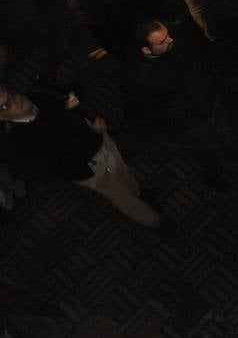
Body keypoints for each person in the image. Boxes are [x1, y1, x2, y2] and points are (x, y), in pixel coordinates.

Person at [0, 81, 162, 230]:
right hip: (90, 167)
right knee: (119, 195)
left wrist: (73, 100)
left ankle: (137, 192)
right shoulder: (20, 142)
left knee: (121, 169)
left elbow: (73, 92)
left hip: (100, 140)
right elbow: (63, 157)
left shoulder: (37, 95)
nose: (16, 100)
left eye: (12, 94)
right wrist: (95, 132)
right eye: (6, 105)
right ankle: (154, 222)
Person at [121, 20, 238, 190]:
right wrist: (182, 120)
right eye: (162, 42)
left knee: (226, 130)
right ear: (146, 50)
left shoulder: (176, 40)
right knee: (205, 150)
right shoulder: (140, 78)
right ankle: (214, 177)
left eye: (168, 34)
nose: (170, 40)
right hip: (188, 122)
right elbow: (147, 110)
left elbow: (198, 59)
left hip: (208, 100)